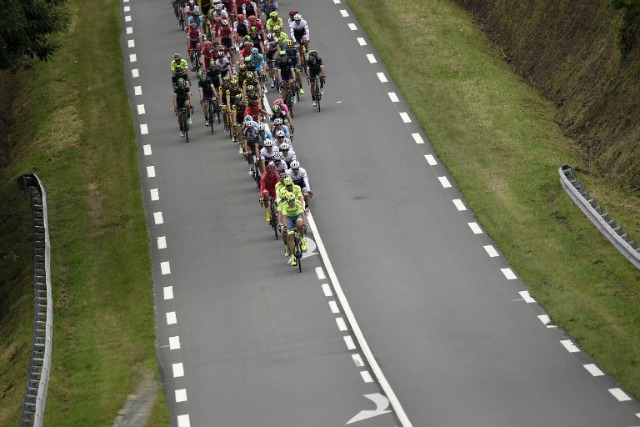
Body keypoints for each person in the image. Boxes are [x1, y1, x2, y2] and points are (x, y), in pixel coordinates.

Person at [278, 191, 307, 265]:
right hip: (289, 219)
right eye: (290, 201)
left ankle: (303, 239)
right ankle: (293, 256)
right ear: (287, 201)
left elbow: (303, 215)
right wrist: (285, 226)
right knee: (290, 236)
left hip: (297, 216)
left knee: (300, 224)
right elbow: (284, 218)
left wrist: (304, 224)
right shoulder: (284, 205)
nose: (292, 202)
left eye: (293, 200)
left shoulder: (297, 203)